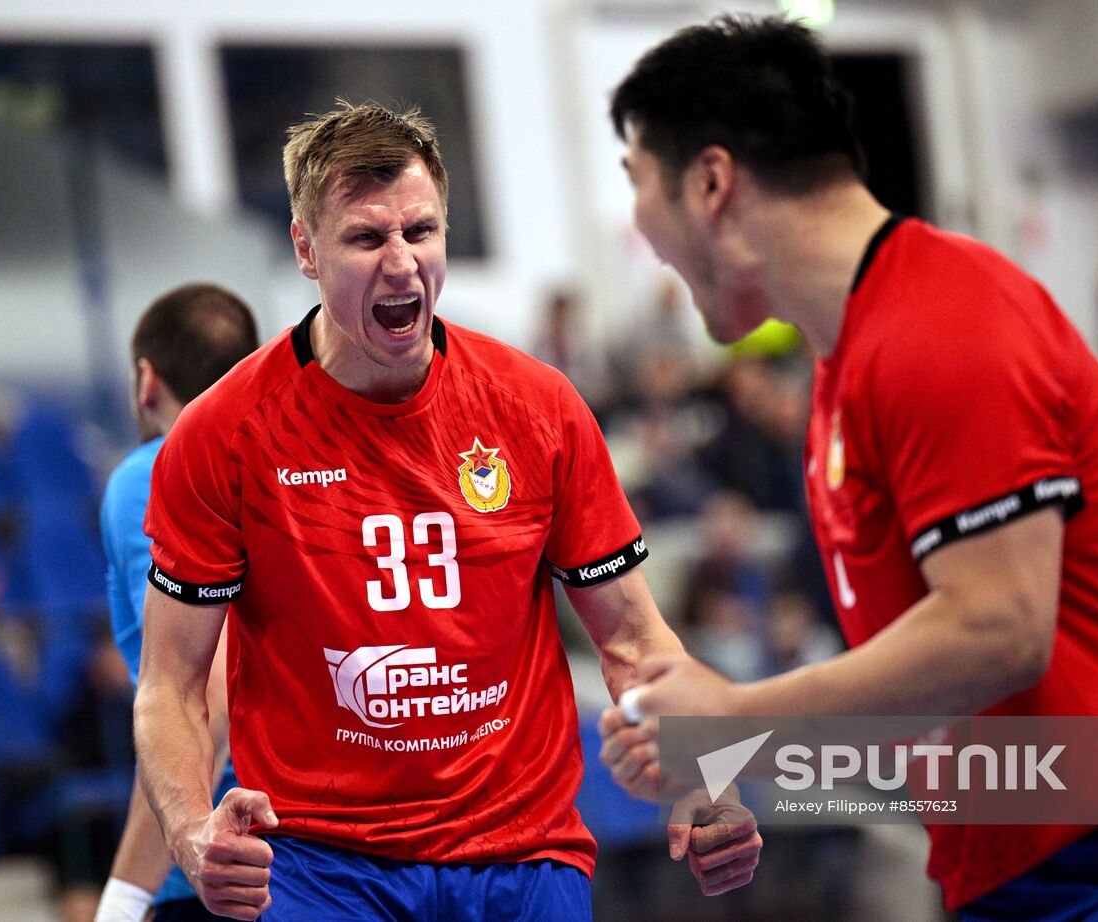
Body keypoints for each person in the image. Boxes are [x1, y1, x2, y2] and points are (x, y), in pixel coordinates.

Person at [597, 15, 1098, 920]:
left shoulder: (944, 320)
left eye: (636, 183)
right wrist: (733, 759)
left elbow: (1000, 631)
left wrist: (738, 718)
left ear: (709, 182)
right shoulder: (839, 385)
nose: (639, 230)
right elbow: (937, 702)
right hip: (1033, 879)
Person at [132, 102, 759, 921]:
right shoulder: (225, 435)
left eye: (421, 232)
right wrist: (189, 832)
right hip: (324, 864)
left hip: (522, 856)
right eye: (366, 238)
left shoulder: (538, 409)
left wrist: (710, 776)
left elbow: (635, 639)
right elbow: (170, 685)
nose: (402, 264)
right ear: (305, 250)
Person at [96, 283, 261, 922]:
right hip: (315, 848)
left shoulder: (152, 474)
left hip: (214, 872)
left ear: (146, 380)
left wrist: (126, 896)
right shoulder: (281, 467)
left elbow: (201, 694)